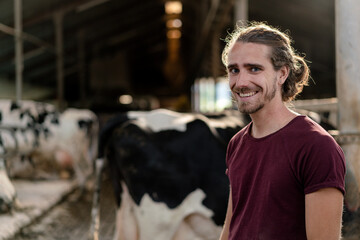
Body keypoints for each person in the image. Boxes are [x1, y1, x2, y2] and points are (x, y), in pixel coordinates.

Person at [219, 22, 346, 240]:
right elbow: (232, 226)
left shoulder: (316, 146)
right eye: (234, 70)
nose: (241, 82)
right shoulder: (237, 143)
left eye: (254, 69)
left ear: (282, 74)